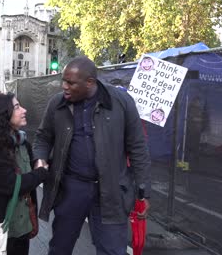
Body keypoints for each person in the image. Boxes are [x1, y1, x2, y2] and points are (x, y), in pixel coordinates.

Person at [33, 56, 151, 255]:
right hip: (71, 189)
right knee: (60, 247)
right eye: (64, 81)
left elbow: (138, 147)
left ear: (89, 83)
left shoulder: (121, 102)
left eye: (70, 82)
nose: (64, 86)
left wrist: (144, 191)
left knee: (112, 249)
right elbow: (43, 137)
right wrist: (40, 159)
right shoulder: (58, 104)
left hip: (112, 192)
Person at [0, 93, 48, 255]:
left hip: (20, 227)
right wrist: (41, 172)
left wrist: (39, 163)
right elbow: (12, 184)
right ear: (2, 114)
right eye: (17, 107)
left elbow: (30, 167)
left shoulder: (22, 142)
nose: (24, 110)